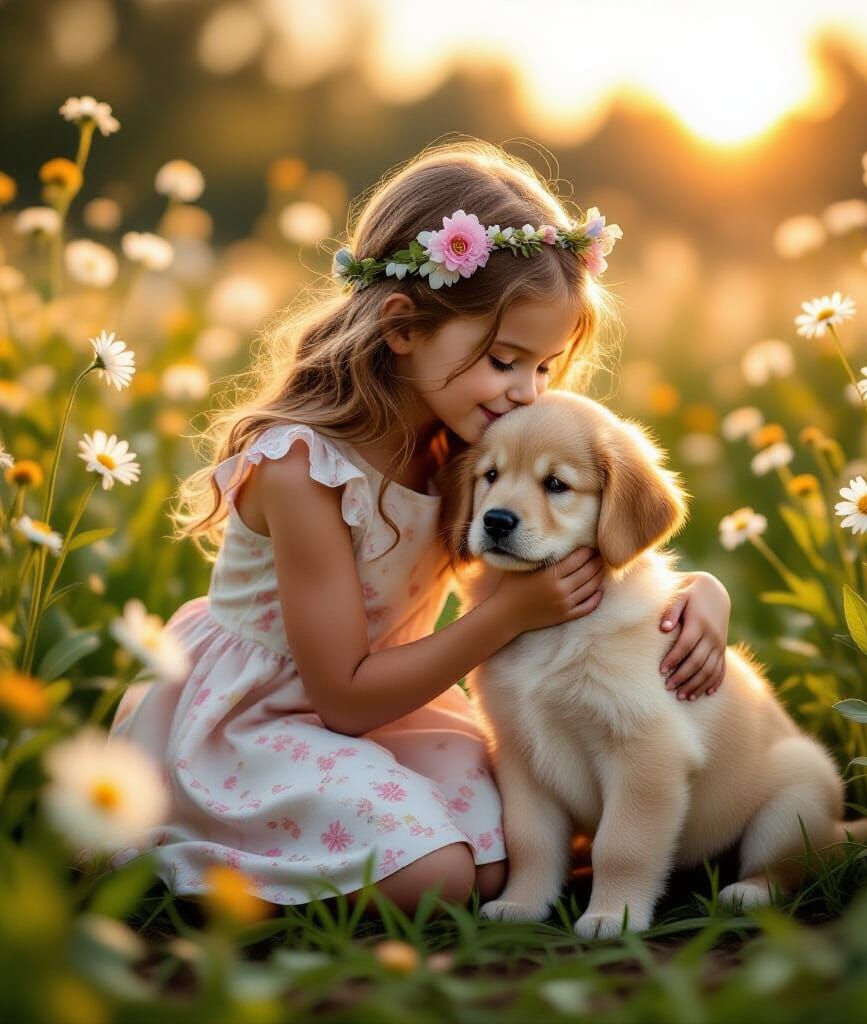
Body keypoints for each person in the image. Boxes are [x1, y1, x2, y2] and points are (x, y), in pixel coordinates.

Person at [108, 140, 732, 916]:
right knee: (435, 878)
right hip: (258, 726)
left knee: (512, 849)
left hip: (394, 708)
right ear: (403, 328)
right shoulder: (302, 469)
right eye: (505, 359)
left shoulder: (471, 450)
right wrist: (509, 614)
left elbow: (593, 527)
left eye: (542, 367)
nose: (525, 392)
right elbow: (343, 698)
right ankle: (195, 867)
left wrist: (701, 592)